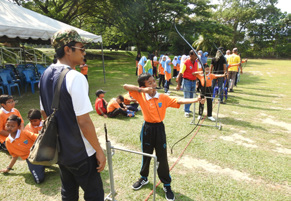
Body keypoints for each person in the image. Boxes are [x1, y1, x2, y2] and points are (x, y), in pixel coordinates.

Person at [39, 29, 106, 201]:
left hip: (60, 150)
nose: (84, 53)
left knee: (68, 193)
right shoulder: (75, 77)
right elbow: (83, 121)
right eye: (81, 48)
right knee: (94, 194)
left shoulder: (44, 75)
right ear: (68, 49)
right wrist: (98, 150)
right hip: (81, 152)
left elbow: (44, 113)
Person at [123, 73, 204, 201]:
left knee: (162, 157)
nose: (153, 84)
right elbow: (126, 86)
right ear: (143, 86)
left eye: (153, 81)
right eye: (149, 83)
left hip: (159, 129)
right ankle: (144, 178)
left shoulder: (162, 97)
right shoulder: (140, 95)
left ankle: (166, 184)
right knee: (146, 154)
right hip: (147, 129)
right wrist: (143, 90)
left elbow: (179, 101)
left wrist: (196, 100)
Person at [0, 115, 45, 184]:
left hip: (39, 153)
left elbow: (39, 138)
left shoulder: (25, 133)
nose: (9, 128)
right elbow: (14, 156)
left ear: (18, 126)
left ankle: (44, 162)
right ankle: (41, 165)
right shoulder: (8, 142)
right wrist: (8, 168)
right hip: (31, 160)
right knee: (39, 180)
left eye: (13, 126)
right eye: (7, 125)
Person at [176, 50, 200, 118]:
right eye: (195, 55)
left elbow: (197, 72)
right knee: (187, 97)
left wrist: (197, 81)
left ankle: (187, 108)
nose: (196, 57)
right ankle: (186, 110)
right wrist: (178, 84)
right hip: (187, 81)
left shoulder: (196, 62)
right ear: (190, 56)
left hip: (193, 81)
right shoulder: (185, 62)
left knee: (192, 97)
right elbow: (180, 74)